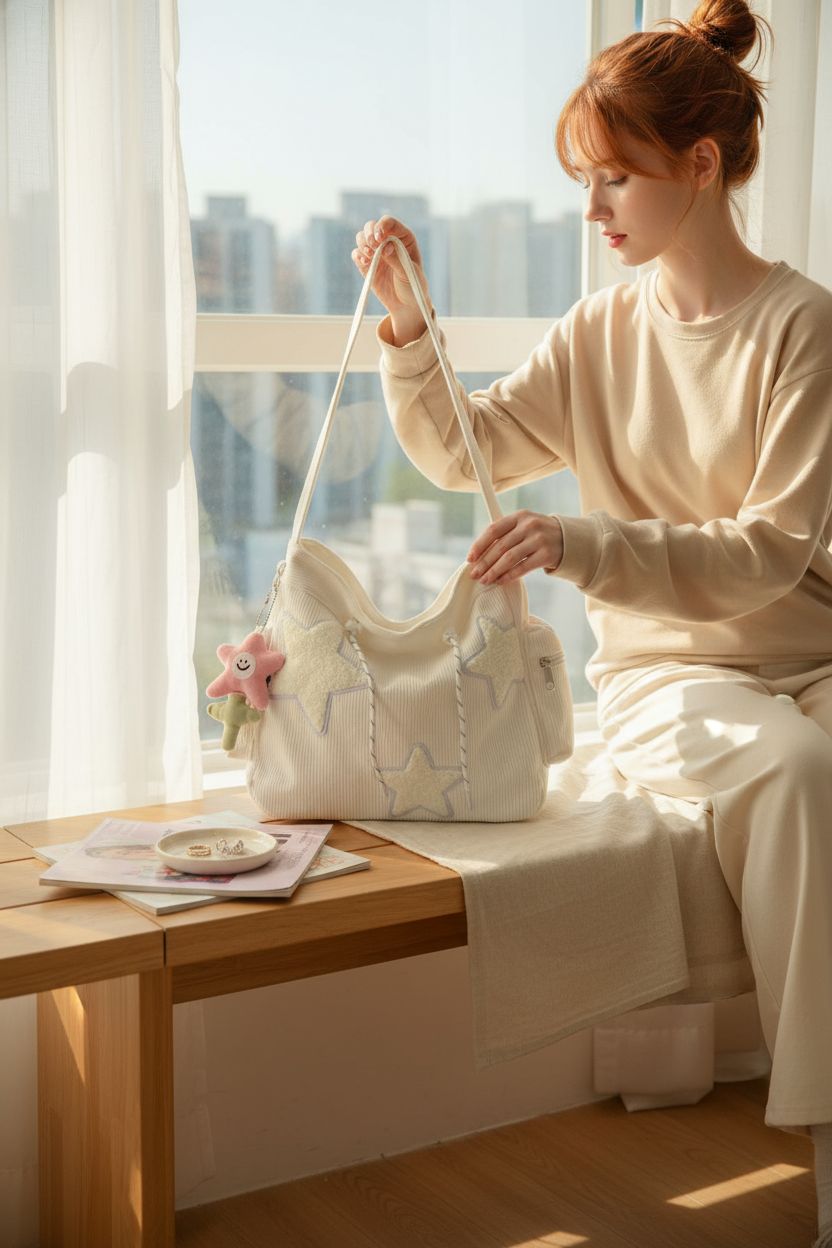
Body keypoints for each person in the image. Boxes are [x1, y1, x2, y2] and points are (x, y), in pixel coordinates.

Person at [350, 0, 832, 1243]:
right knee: (794, 772)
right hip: (677, 679)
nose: (593, 209)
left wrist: (584, 541)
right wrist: (407, 323)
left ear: (701, 165)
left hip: (812, 646)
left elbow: (774, 553)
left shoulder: (801, 328)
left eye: (613, 179)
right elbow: (467, 453)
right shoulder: (598, 333)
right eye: (584, 181)